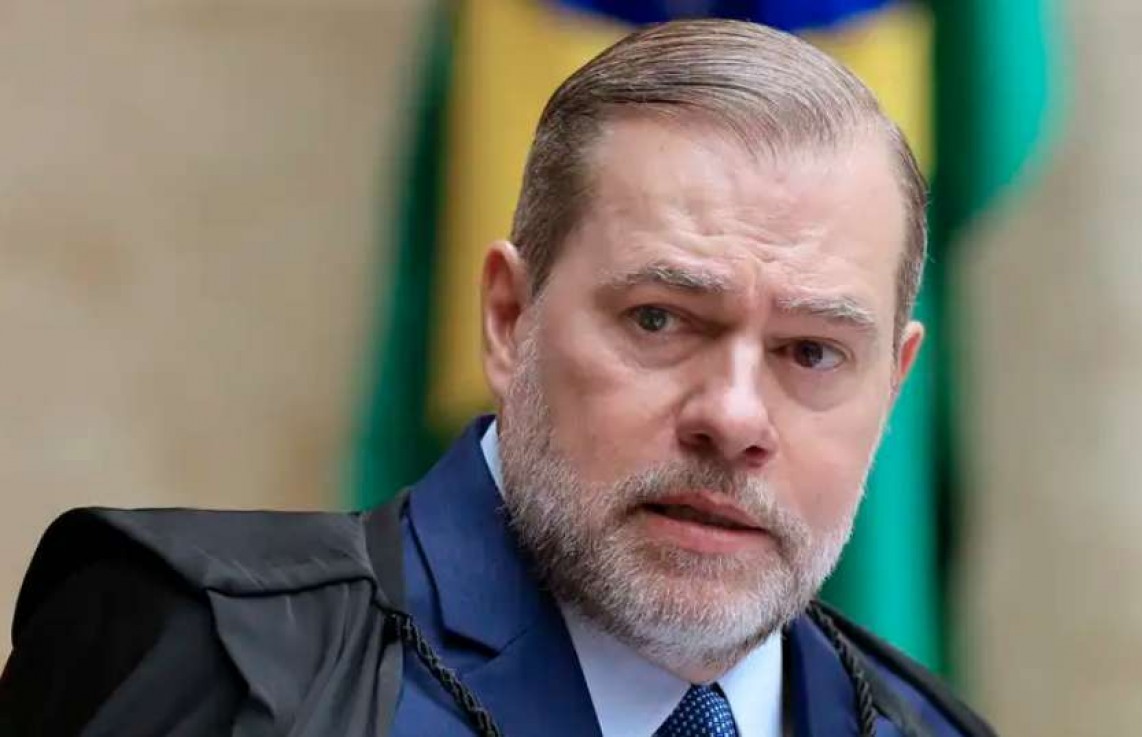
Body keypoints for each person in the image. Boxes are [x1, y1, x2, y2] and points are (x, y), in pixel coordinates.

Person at [0, 18, 996, 737]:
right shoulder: (221, 659)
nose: (733, 416)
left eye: (811, 351)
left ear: (893, 381)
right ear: (508, 319)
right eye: (659, 319)